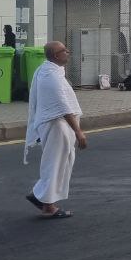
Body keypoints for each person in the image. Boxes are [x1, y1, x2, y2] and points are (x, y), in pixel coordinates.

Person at [24, 41, 88, 219]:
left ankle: (42, 196)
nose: (68, 52)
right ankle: (47, 205)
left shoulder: (49, 70)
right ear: (55, 55)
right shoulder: (51, 76)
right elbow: (63, 106)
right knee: (55, 164)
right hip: (56, 125)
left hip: (56, 124)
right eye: (63, 50)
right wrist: (78, 132)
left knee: (59, 163)